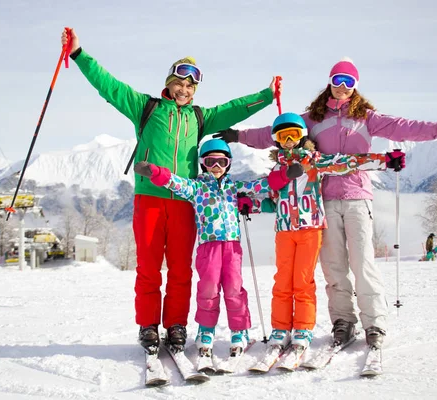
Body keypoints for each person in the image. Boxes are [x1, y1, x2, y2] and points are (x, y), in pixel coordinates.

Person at [214, 57, 437, 349]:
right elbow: (276, 134)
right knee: (333, 266)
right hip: (322, 200)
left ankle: (374, 322)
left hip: (356, 198)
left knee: (362, 262)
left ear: (356, 86)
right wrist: (238, 136)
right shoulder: (313, 118)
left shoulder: (366, 116)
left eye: (348, 82)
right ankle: (343, 321)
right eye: (337, 80)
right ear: (329, 82)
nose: (341, 87)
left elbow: (406, 128)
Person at [61, 28, 280, 352]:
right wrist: (79, 54)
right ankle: (148, 326)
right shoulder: (145, 108)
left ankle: (176, 324)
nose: (184, 89)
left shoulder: (200, 117)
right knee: (149, 267)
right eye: (179, 83)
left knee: (180, 268)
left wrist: (267, 94)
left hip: (185, 202)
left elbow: (235, 108)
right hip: (149, 198)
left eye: (190, 86)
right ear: (169, 83)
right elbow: (109, 86)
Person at [257, 113, 400, 352]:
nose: (289, 140)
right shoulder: (277, 166)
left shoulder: (313, 160)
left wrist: (383, 160)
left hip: (309, 228)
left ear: (303, 136)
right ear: (277, 140)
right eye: (284, 136)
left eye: (294, 134)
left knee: (303, 281)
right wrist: (254, 203)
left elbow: (346, 162)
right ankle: (280, 327)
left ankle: (303, 327)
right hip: (284, 230)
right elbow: (272, 196)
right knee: (282, 281)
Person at [134, 139, 272, 355]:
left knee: (234, 289)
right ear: (203, 164)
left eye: (222, 162)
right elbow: (175, 182)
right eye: (211, 161)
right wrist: (153, 171)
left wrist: (279, 183)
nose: (216, 167)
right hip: (208, 248)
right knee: (208, 289)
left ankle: (240, 329)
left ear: (229, 164)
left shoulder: (234, 188)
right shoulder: (197, 188)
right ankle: (206, 329)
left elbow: (259, 187)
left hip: (232, 248)